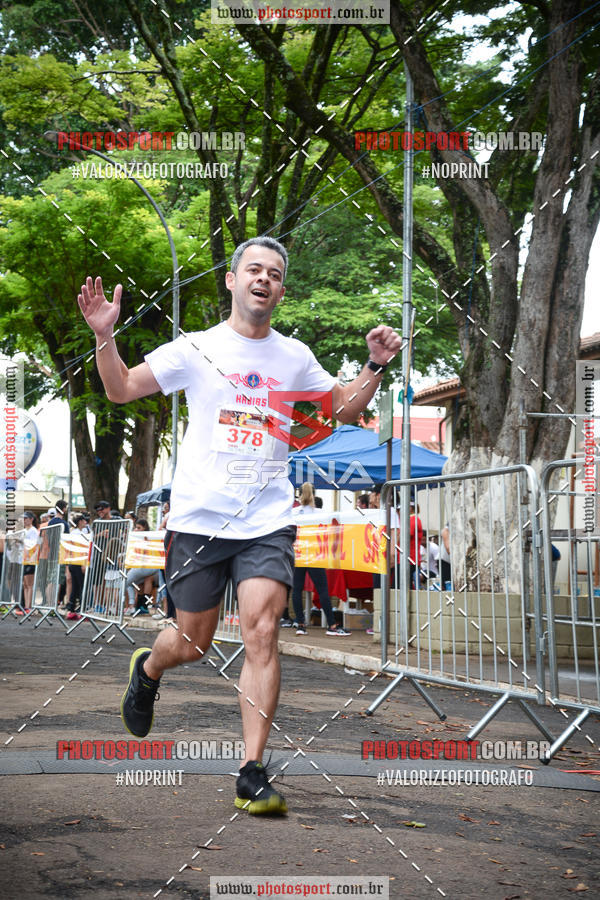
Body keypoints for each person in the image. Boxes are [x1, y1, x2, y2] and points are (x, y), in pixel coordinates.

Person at [77, 235, 400, 816]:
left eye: (275, 274)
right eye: (254, 269)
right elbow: (121, 389)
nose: (264, 279)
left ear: (281, 289)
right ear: (231, 280)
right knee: (194, 642)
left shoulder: (294, 356)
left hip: (267, 519)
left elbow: (340, 410)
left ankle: (251, 772)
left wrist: (374, 366)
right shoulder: (196, 349)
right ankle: (149, 668)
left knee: (262, 631)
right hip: (201, 518)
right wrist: (105, 337)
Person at [291, 482, 349, 637]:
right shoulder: (320, 513)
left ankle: (301, 624)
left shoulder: (293, 512)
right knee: (323, 590)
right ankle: (331, 625)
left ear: (299, 494)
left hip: (298, 554)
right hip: (315, 555)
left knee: (296, 589)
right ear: (314, 496)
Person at [22, 511, 39, 611]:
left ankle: (29, 606)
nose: (24, 521)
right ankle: (26, 606)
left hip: (30, 560)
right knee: (25, 584)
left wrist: (32, 557)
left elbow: (36, 545)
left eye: (26, 518)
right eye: (23, 519)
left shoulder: (33, 530)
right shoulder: (24, 531)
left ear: (31, 519)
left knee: (29, 584)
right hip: (24, 559)